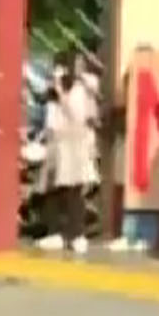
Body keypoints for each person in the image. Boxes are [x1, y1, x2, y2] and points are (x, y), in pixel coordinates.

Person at [35, 51, 101, 253]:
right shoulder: (55, 90)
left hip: (75, 144)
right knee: (54, 190)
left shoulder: (80, 89)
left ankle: (77, 234)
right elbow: (50, 120)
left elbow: (76, 115)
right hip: (58, 144)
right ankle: (55, 233)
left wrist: (61, 92)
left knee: (74, 191)